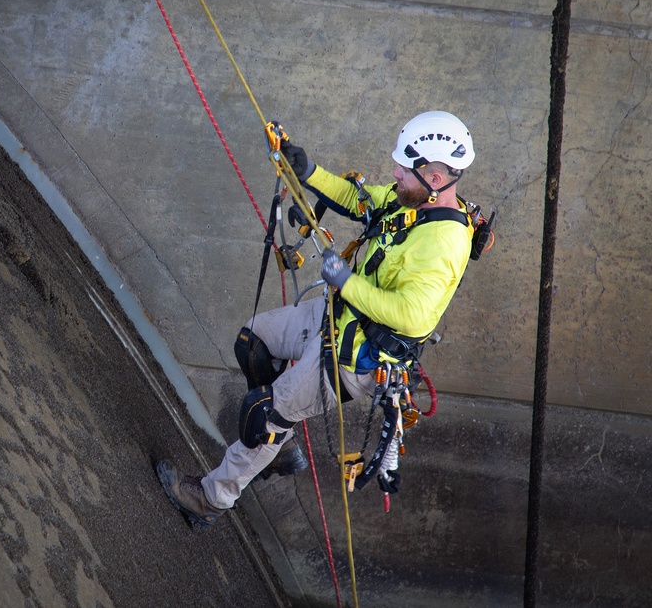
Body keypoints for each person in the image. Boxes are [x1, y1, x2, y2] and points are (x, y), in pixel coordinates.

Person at [157, 110, 479, 530]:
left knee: (264, 414)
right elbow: (359, 199)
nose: (395, 172)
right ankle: (280, 448)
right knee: (252, 341)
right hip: (338, 318)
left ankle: (211, 499)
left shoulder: (443, 243)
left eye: (405, 167)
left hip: (354, 358)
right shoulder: (413, 203)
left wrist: (346, 281)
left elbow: (412, 318)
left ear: (436, 179)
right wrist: (308, 171)